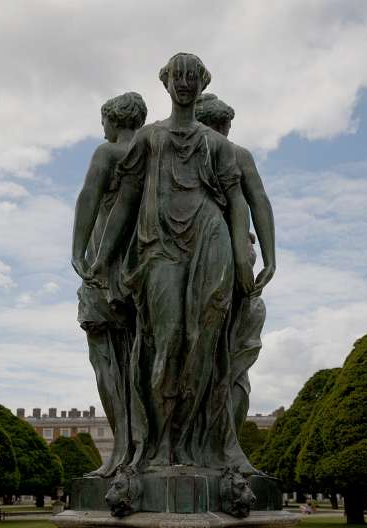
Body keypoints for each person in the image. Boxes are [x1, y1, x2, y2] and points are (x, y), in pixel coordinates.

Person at [88, 53, 272, 473]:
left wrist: (254, 259)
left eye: (192, 76)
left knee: (203, 343)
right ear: (166, 82)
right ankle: (160, 446)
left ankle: (193, 446)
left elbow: (243, 202)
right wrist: (101, 259)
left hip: (211, 240)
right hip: (159, 247)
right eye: (178, 76)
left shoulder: (221, 146)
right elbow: (126, 202)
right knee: (165, 341)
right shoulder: (149, 139)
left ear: (202, 82)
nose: (185, 83)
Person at [71, 92, 147, 476]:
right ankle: (145, 447)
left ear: (114, 120)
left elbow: (88, 199)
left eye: (104, 121)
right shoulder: (154, 151)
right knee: (143, 361)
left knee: (105, 358)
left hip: (107, 265)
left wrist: (78, 252)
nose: (102, 128)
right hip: (147, 267)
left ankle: (121, 449)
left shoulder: (108, 153)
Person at [195, 93, 275, 434]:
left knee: (214, 350)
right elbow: (260, 202)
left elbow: (258, 202)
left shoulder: (188, 153)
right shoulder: (237, 154)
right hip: (230, 257)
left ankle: (213, 439)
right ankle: (219, 438)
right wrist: (269, 256)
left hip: (209, 258)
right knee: (231, 355)